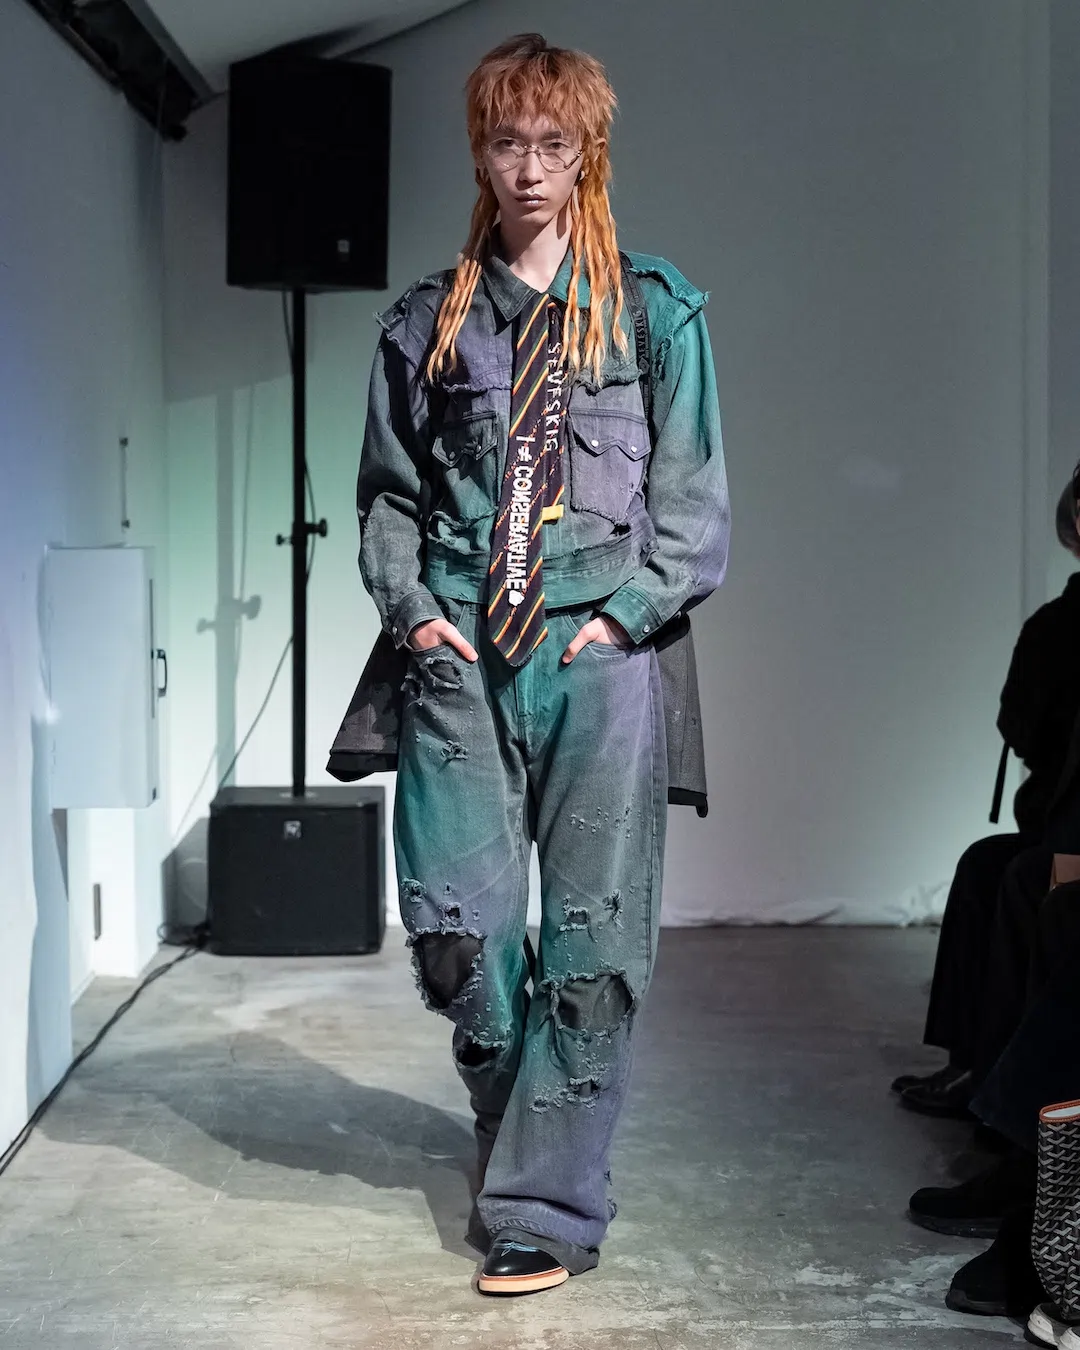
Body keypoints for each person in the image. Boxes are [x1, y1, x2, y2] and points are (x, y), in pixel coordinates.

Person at [351, 34, 728, 1295]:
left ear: (587, 154)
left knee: (592, 945)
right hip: (461, 656)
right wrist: (414, 615)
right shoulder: (427, 321)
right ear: (479, 151)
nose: (527, 167)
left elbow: (694, 504)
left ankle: (545, 1205)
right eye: (507, 143)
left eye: (551, 145)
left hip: (597, 659)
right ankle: (514, 1128)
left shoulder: (654, 313)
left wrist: (623, 619)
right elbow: (388, 495)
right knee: (456, 940)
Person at [894, 477, 1080, 1118]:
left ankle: (999, 1090)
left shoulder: (1056, 627)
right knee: (985, 865)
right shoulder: (1055, 626)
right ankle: (971, 1065)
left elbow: (1020, 726)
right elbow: (1022, 726)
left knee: (1021, 878)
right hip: (1060, 826)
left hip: (1068, 837)